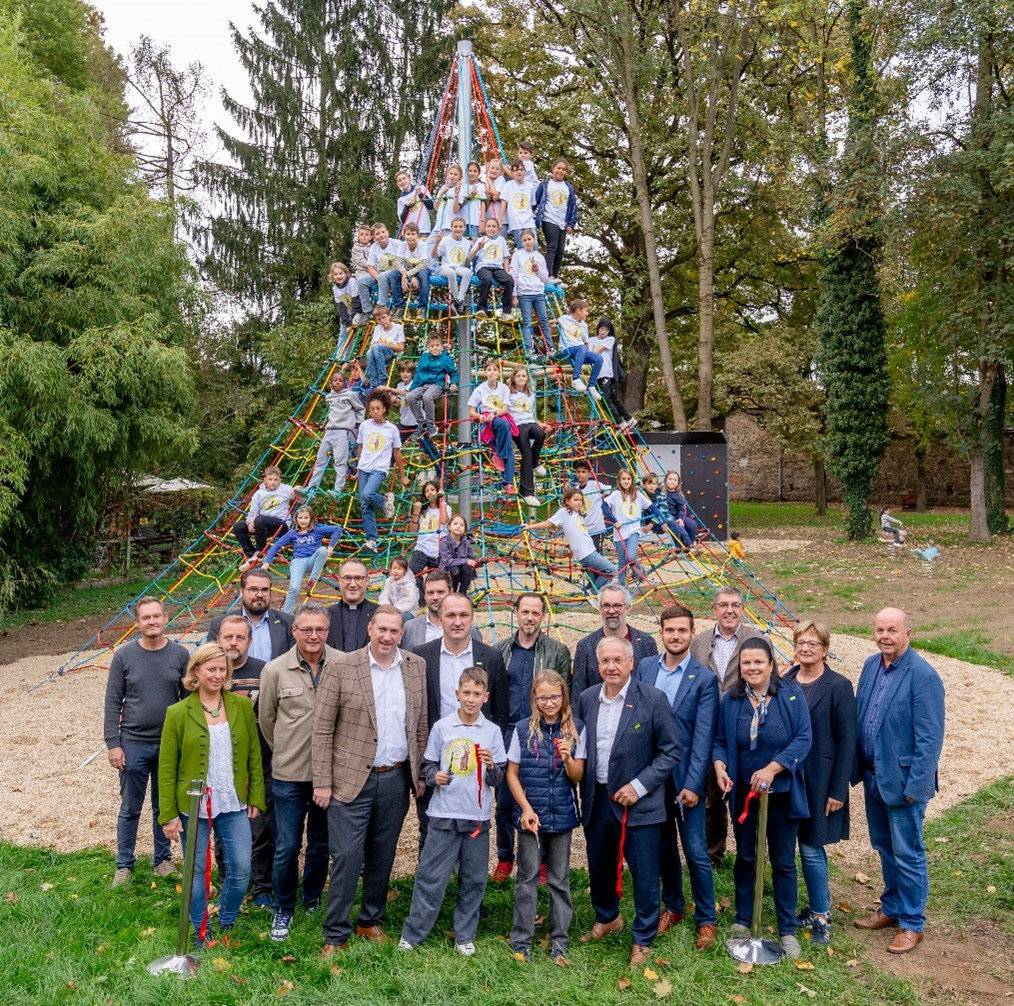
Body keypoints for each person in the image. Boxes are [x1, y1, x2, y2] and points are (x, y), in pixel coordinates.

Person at [312, 606, 429, 953]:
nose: (387, 637)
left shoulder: (415, 666)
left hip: (395, 777)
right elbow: (321, 728)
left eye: (394, 631)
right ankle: (336, 932)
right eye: (382, 629)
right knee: (347, 856)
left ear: (401, 634)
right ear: (370, 629)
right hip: (350, 779)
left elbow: (419, 724)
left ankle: (370, 920)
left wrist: (419, 772)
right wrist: (322, 780)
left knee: (383, 853)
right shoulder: (343, 666)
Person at [575, 637, 680, 967]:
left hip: (638, 803)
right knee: (601, 864)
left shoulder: (652, 699)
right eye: (605, 661)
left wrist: (639, 786)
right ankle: (607, 917)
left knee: (645, 872)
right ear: (597, 664)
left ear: (632, 663)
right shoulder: (587, 699)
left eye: (618, 660)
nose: (611, 667)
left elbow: (671, 751)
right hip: (597, 798)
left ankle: (643, 937)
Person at [158, 643, 265, 945]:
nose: (217, 675)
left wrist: (256, 795)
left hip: (232, 801)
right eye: (211, 669)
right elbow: (167, 767)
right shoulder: (178, 713)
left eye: (222, 669)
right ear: (196, 672)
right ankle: (199, 929)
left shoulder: (241, 707)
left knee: (242, 867)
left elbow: (253, 754)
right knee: (196, 870)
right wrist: (167, 814)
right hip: (193, 805)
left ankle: (226, 921)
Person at [713, 637, 812, 958]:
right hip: (745, 796)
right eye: (746, 663)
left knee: (783, 861)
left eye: (759, 662)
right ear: (739, 668)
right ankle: (743, 918)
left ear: (772, 665)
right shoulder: (731, 701)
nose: (752, 668)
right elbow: (718, 740)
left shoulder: (791, 696)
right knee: (747, 857)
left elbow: (803, 738)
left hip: (781, 795)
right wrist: (719, 765)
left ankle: (786, 929)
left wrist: (772, 768)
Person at [853, 607, 945, 954]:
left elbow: (930, 738)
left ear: (909, 632)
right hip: (874, 775)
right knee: (883, 845)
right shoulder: (870, 666)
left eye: (892, 630)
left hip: (904, 783)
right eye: (879, 630)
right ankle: (891, 908)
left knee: (908, 852)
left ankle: (911, 922)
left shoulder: (922, 675)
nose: (885, 636)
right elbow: (864, 715)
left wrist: (917, 786)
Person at [398, 666, 508, 956]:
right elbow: (428, 766)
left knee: (473, 879)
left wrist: (492, 766)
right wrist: (435, 777)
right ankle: (414, 933)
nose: (471, 699)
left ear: (486, 697)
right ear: (457, 694)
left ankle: (465, 935)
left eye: (477, 694)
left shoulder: (493, 732)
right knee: (430, 877)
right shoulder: (442, 727)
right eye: (466, 693)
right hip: (443, 816)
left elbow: (499, 780)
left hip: (477, 819)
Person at [634, 603, 719, 950]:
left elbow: (703, 737)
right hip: (652, 775)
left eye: (682, 630)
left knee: (695, 848)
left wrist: (694, 784)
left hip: (685, 776)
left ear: (691, 632)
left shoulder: (704, 679)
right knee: (664, 845)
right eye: (670, 630)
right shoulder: (645, 667)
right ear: (662, 632)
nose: (676, 636)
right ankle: (674, 906)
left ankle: (707, 918)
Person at [259, 601, 338, 941]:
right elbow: (267, 720)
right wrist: (287, 751)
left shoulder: (343, 665)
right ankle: (284, 906)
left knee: (321, 844)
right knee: (288, 846)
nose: (313, 635)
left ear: (327, 631)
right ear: (294, 631)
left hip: (329, 776)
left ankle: (312, 897)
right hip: (289, 775)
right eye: (306, 629)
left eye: (319, 629)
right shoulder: (275, 671)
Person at [412, 593, 508, 849]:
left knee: (471, 831)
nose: (457, 621)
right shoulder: (421, 656)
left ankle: (464, 881)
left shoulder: (491, 657)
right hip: (436, 756)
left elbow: (499, 712)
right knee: (430, 828)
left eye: (463, 615)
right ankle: (432, 884)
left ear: (472, 618)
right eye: (451, 615)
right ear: (439, 618)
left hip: (475, 763)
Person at [103, 596, 188, 887]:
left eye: (156, 616)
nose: (151, 622)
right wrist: (113, 743)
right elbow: (113, 702)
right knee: (130, 807)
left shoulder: (180, 655)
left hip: (168, 744)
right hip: (133, 742)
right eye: (145, 618)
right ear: (137, 623)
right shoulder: (124, 656)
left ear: (166, 618)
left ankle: (162, 861)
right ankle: (124, 865)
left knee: (163, 806)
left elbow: (188, 701)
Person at [782, 620, 857, 946]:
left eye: (813, 643)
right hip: (788, 778)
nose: (806, 648)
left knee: (811, 847)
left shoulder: (838, 686)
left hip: (820, 780)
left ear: (825, 649)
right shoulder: (785, 681)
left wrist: (838, 789)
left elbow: (847, 739)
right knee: (791, 846)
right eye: (801, 643)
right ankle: (815, 905)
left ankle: (821, 916)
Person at [507, 670, 586, 964]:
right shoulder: (522, 729)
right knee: (527, 878)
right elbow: (512, 773)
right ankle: (521, 939)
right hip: (531, 817)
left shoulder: (576, 728)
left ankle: (560, 940)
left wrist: (567, 758)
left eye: (554, 696)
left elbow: (577, 776)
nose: (549, 703)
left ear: (563, 696)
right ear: (534, 698)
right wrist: (525, 808)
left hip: (562, 816)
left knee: (559, 879)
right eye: (543, 697)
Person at [493, 593, 572, 882]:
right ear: (516, 613)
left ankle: (540, 861)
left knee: (542, 793)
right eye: (525, 612)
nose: (530, 617)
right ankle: (505, 857)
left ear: (543, 617)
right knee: (504, 800)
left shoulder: (557, 651)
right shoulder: (500, 650)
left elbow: (566, 695)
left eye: (535, 613)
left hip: (543, 729)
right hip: (509, 730)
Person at [690, 586, 762, 867]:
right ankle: (713, 855)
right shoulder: (699, 643)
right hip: (707, 729)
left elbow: (771, 683)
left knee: (747, 795)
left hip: (745, 730)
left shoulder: (756, 639)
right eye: (723, 605)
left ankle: (751, 857)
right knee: (712, 797)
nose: (729, 610)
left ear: (742, 609)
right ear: (714, 609)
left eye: (735, 605)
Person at [214, 615, 274, 909]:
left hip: (259, 763)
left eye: (240, 637)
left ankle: (263, 887)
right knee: (223, 828)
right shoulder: (210, 673)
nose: (234, 642)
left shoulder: (265, 672)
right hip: (221, 767)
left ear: (249, 641)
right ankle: (228, 883)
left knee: (262, 829)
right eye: (228, 637)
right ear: (218, 639)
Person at [523, 488, 617, 595]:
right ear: (567, 501)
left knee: (595, 575)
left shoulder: (577, 514)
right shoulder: (564, 512)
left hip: (590, 550)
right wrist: (530, 526)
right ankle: (593, 592)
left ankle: (588, 595)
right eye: (575, 500)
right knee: (611, 570)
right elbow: (548, 523)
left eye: (580, 500)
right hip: (585, 553)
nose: (579, 502)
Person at [571, 583, 658, 696]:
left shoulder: (646, 643)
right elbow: (578, 693)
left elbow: (652, 688)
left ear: (628, 608)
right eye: (606, 606)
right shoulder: (586, 646)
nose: (611, 611)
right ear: (600, 609)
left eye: (617, 606)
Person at [260, 506, 342, 613]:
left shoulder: (317, 530)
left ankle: (311, 581)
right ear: (296, 519)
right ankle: (286, 614)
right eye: (300, 518)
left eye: (306, 518)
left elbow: (338, 529)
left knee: (322, 550)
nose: (303, 521)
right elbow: (276, 546)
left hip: (313, 561)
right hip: (298, 561)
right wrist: (267, 562)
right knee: (294, 588)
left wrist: (330, 547)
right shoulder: (292, 533)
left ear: (311, 519)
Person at [355, 391, 408, 552]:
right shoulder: (365, 425)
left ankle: (385, 501)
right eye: (371, 409)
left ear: (385, 409)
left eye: (378, 408)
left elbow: (397, 453)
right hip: (364, 468)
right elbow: (360, 448)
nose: (374, 412)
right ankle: (371, 540)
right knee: (365, 505)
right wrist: (358, 469)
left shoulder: (391, 429)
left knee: (367, 494)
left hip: (379, 469)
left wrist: (402, 475)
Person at [208, 567, 294, 663]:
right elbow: (210, 662)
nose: (260, 595)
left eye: (265, 590)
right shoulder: (220, 624)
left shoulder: (288, 623)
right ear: (241, 591)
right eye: (253, 589)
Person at [308, 368, 365, 495]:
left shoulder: (350, 395)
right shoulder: (329, 397)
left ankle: (338, 489)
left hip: (342, 431)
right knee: (320, 458)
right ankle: (312, 486)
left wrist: (358, 423)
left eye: (340, 380)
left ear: (344, 383)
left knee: (340, 461)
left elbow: (360, 409)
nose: (338, 382)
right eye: (335, 380)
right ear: (331, 383)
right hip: (329, 431)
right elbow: (333, 412)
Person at [233, 465, 303, 565]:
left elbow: (302, 500)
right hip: (262, 527)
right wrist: (250, 523)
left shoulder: (286, 489)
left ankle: (262, 552)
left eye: (276, 479)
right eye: (270, 479)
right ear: (265, 479)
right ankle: (252, 554)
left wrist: (298, 491)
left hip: (281, 525)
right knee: (238, 526)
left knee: (260, 519)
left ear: (280, 480)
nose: (273, 482)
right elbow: (253, 512)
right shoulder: (258, 494)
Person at [467, 357, 516, 495]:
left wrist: (494, 413)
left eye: (495, 370)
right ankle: (508, 480)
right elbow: (471, 411)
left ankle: (508, 482)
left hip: (499, 415)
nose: (492, 372)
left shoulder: (504, 388)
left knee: (508, 447)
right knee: (505, 436)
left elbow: (504, 409)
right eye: (489, 370)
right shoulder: (480, 389)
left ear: (499, 373)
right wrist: (480, 416)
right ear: (485, 373)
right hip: (487, 419)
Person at [402, 570, 482, 651]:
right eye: (430, 593)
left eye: (440, 592)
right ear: (424, 595)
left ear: (451, 592)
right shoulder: (410, 628)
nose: (435, 597)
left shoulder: (470, 629)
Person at [506, 366, 548, 507]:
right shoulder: (508, 393)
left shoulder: (530, 394)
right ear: (513, 378)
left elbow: (530, 413)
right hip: (517, 425)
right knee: (526, 453)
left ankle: (535, 462)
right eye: (518, 376)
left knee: (540, 433)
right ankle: (527, 492)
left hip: (530, 422)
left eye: (524, 376)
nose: (521, 378)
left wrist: (539, 423)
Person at [405, 332, 458, 440]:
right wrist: (411, 389)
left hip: (437, 384)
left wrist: (453, 383)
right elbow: (418, 374)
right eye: (432, 346)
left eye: (437, 345)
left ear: (442, 347)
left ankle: (430, 425)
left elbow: (454, 373)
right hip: (424, 385)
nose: (435, 348)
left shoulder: (445, 359)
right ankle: (422, 424)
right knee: (409, 397)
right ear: (428, 347)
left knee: (427, 397)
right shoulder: (424, 357)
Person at [605, 468, 652, 588]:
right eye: (623, 479)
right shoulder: (615, 495)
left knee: (630, 557)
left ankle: (640, 572)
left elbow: (651, 507)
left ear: (632, 480)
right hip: (619, 532)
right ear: (619, 481)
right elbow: (604, 506)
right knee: (622, 562)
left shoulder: (638, 495)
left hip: (633, 531)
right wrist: (614, 521)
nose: (626, 481)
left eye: (628, 479)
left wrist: (660, 519)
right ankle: (622, 588)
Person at [534, 158, 578, 283]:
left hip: (562, 222)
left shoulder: (568, 187)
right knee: (552, 246)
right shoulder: (545, 184)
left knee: (560, 249)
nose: (561, 171)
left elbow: (573, 206)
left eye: (564, 169)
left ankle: (554, 275)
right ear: (553, 169)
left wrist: (571, 224)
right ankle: (547, 276)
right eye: (558, 168)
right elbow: (536, 201)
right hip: (549, 219)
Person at [509, 229, 551, 357]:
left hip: (538, 291)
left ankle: (550, 348)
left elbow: (545, 279)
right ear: (521, 242)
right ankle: (529, 349)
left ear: (534, 240)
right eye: (525, 240)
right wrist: (514, 294)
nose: (527, 242)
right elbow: (514, 275)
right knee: (527, 321)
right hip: (524, 293)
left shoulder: (539, 257)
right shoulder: (518, 255)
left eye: (529, 239)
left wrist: (537, 270)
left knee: (544, 320)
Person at [591, 316, 635, 431]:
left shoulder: (610, 340)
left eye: (606, 330)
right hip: (597, 375)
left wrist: (587, 355)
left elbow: (598, 351)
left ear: (609, 331)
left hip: (605, 373)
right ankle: (629, 419)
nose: (603, 332)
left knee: (604, 399)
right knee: (613, 398)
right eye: (602, 329)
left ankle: (620, 421)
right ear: (598, 329)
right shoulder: (592, 340)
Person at [325, 558, 378, 652]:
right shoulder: (325, 615)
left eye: (358, 578)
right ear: (339, 580)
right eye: (347, 578)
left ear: (367, 580)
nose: (352, 584)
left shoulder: (379, 615)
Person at [407, 481, 450, 596]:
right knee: (412, 572)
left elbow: (444, 521)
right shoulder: (422, 510)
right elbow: (412, 530)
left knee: (437, 579)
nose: (429, 493)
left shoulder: (445, 508)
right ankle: (421, 599)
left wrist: (443, 501)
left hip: (438, 550)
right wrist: (416, 512)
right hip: (422, 548)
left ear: (437, 491)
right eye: (426, 491)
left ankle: (435, 599)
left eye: (432, 490)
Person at [468, 216, 514, 320]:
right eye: (489, 226)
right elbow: (470, 256)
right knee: (487, 279)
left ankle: (506, 311)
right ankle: (482, 308)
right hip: (483, 266)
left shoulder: (501, 240)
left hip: (497, 267)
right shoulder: (481, 240)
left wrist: (507, 271)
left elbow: (505, 257)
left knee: (509, 280)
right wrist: (478, 248)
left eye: (494, 226)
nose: (491, 228)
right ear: (485, 228)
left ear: (498, 229)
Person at [556, 298, 603, 399]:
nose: (587, 313)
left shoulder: (584, 325)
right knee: (581, 348)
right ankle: (575, 378)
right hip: (566, 350)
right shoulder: (564, 319)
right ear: (578, 311)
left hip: (579, 350)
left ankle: (591, 386)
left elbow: (586, 342)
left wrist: (585, 355)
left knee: (598, 358)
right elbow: (552, 327)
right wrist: (552, 325)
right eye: (586, 310)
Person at [361, 222, 405, 318]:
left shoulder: (396, 244)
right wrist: (378, 279)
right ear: (374, 237)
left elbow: (405, 258)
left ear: (387, 233)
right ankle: (367, 311)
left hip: (396, 271)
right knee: (361, 281)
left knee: (383, 276)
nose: (381, 235)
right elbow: (370, 267)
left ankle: (382, 306)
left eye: (383, 232)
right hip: (381, 273)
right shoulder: (374, 247)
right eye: (377, 234)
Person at [641, 472, 693, 550]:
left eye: (654, 484)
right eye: (649, 484)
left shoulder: (661, 495)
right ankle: (683, 546)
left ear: (657, 485)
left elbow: (662, 511)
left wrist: (652, 524)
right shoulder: (641, 494)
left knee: (678, 526)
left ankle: (684, 546)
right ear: (644, 485)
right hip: (651, 523)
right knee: (674, 524)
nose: (651, 486)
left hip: (662, 520)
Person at [432, 216, 472, 314]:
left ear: (464, 228)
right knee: (451, 272)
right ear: (451, 228)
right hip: (446, 267)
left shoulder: (467, 243)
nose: (458, 229)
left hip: (459, 268)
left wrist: (472, 253)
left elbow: (466, 263)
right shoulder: (445, 240)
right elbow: (434, 255)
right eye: (455, 227)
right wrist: (437, 242)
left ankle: (460, 300)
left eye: (460, 227)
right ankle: (457, 301)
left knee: (468, 272)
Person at [574, 460, 616, 554]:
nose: (580, 474)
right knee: (585, 555)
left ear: (589, 474)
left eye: (583, 472)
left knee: (597, 554)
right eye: (578, 472)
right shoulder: (576, 490)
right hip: (583, 530)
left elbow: (610, 491)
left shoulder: (595, 485)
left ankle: (599, 569)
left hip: (597, 529)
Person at [363, 305, 406, 390]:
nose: (382, 321)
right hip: (377, 354)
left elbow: (401, 348)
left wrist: (384, 344)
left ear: (389, 316)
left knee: (376, 347)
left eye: (384, 317)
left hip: (392, 353)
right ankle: (374, 383)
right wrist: (378, 345)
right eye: (379, 319)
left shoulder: (398, 328)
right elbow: (372, 346)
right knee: (369, 352)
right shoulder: (377, 329)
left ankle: (383, 378)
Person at [438, 513, 479, 595]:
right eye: (455, 524)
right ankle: (452, 593)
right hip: (448, 569)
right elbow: (448, 561)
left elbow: (471, 558)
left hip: (462, 570)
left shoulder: (466, 542)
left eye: (462, 525)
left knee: (467, 569)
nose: (458, 526)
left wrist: (476, 562)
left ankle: (462, 593)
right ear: (449, 527)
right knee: (455, 570)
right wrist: (466, 561)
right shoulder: (444, 542)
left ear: (465, 529)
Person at [500, 160, 537, 249]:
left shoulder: (530, 186)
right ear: (512, 172)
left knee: (534, 247)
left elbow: (532, 204)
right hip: (516, 223)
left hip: (529, 222)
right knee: (522, 248)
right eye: (516, 170)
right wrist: (499, 220)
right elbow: (503, 203)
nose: (519, 172)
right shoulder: (508, 185)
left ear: (524, 171)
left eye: (521, 169)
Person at [398, 222, 432, 313]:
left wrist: (407, 275)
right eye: (408, 234)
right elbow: (398, 263)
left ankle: (422, 308)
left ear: (418, 236)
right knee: (393, 273)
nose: (410, 237)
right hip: (407, 271)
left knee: (423, 275)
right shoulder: (402, 245)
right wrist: (407, 275)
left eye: (413, 234)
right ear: (404, 235)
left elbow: (424, 264)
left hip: (421, 270)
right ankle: (399, 306)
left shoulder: (422, 245)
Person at [663, 470, 703, 542]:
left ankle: (689, 544)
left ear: (677, 483)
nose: (672, 481)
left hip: (677, 516)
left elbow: (681, 509)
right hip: (667, 517)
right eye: (670, 479)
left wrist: (680, 518)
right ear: (665, 480)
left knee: (692, 524)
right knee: (679, 528)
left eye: (675, 480)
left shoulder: (679, 495)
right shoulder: (661, 492)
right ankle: (684, 545)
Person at [378, 556, 420, 622]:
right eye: (394, 568)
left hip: (407, 611)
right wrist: (388, 607)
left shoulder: (409, 584)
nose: (396, 571)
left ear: (405, 571)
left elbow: (410, 600)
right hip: (391, 610)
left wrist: (396, 609)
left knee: (401, 618)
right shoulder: (389, 581)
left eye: (399, 569)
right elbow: (384, 596)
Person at [431, 163, 464, 237]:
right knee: (429, 246)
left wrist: (456, 194)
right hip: (438, 227)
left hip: (450, 227)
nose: (453, 176)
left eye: (456, 174)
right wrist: (441, 192)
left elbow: (455, 210)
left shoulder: (461, 190)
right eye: (451, 173)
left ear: (459, 177)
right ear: (447, 175)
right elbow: (436, 207)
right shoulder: (444, 187)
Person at [395, 168, 431, 236]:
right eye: (399, 180)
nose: (402, 181)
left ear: (409, 179)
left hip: (424, 230)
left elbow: (431, 206)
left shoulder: (421, 188)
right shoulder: (400, 199)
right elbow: (402, 220)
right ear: (398, 184)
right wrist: (407, 206)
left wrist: (420, 194)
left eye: (404, 178)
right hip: (410, 233)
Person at [351, 223, 374, 324]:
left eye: (366, 235)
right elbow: (360, 261)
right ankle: (362, 311)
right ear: (358, 236)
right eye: (362, 234)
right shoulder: (356, 248)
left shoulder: (373, 248)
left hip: (373, 272)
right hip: (362, 271)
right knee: (361, 284)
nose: (364, 236)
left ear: (370, 237)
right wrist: (371, 265)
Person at [328, 262, 358, 336]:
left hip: (358, 311)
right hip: (348, 313)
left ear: (346, 273)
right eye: (336, 274)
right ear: (332, 276)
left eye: (341, 273)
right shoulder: (335, 287)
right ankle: (342, 347)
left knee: (353, 331)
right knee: (343, 330)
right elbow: (341, 307)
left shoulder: (351, 281)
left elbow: (356, 301)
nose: (338, 276)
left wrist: (352, 321)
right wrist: (347, 323)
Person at [461, 160, 485, 238]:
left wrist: (482, 221)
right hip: (463, 221)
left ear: (479, 173)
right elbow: (460, 204)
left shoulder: (482, 186)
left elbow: (483, 204)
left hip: (475, 221)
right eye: (470, 171)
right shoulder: (463, 187)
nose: (472, 173)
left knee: (475, 244)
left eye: (475, 171)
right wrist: (470, 196)